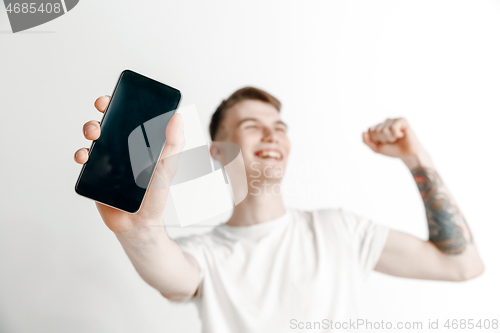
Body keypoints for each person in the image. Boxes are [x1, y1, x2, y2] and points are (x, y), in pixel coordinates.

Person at [74, 87, 485, 333]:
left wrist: (417, 157)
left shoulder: (339, 229)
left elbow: (463, 265)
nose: (272, 133)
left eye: (280, 126)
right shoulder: (207, 255)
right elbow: (170, 273)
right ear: (218, 151)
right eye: (252, 125)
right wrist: (140, 230)